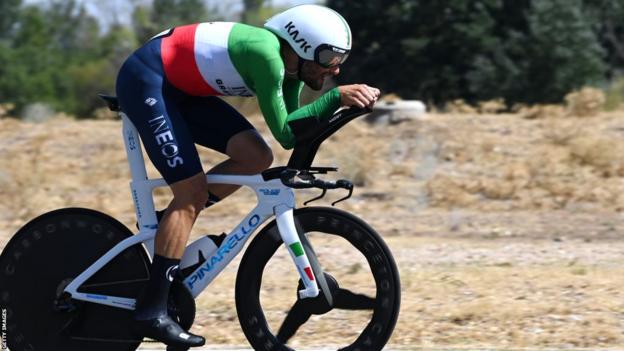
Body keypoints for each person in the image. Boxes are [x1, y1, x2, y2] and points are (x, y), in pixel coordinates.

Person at [115, 4, 380, 348]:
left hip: (179, 89)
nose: (336, 67)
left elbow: (293, 132)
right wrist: (335, 97)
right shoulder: (268, 58)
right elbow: (287, 131)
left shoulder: (290, 70)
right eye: (329, 56)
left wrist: (338, 105)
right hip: (148, 80)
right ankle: (151, 310)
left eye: (340, 57)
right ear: (301, 46)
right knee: (190, 194)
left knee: (256, 156)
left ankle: (169, 225)